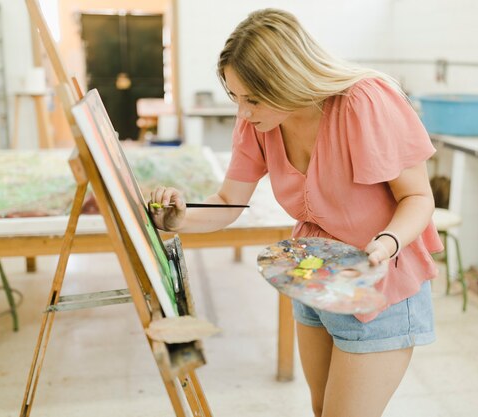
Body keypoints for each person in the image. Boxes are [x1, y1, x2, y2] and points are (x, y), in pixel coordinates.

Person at [150, 8, 443, 417]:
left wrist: (386, 243)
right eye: (236, 98)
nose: (244, 112)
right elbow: (227, 203)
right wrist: (177, 219)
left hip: (379, 284)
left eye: (253, 99)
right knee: (322, 408)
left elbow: (418, 198)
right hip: (311, 275)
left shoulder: (364, 102)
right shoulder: (257, 121)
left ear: (288, 80)